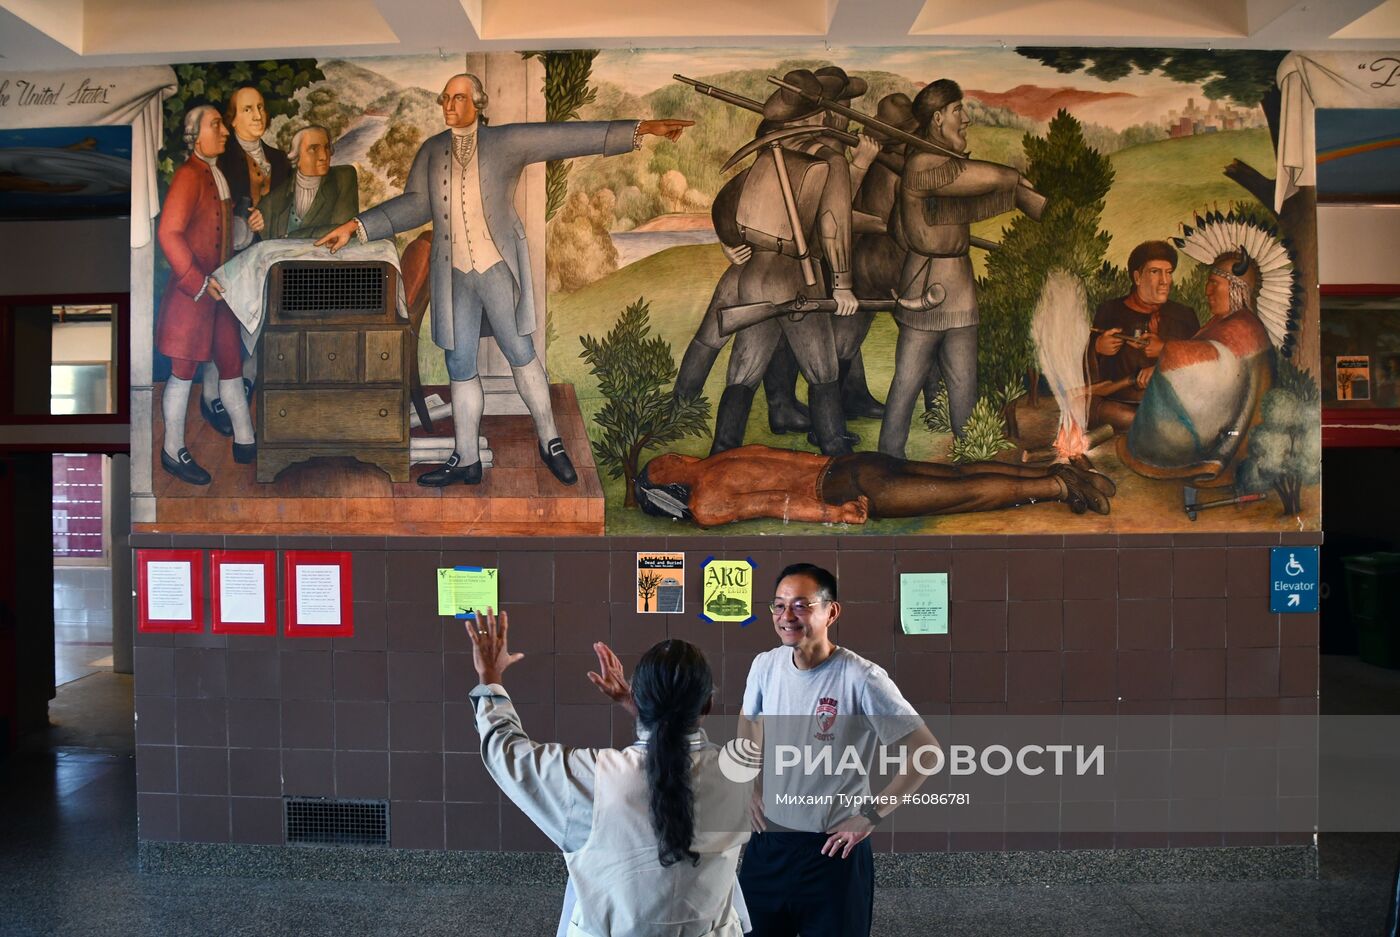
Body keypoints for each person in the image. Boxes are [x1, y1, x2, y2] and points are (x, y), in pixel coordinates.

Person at [318, 73, 692, 488]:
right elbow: (415, 205)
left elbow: (564, 138)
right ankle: (465, 458)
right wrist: (357, 225)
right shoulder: (432, 150)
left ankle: (550, 441)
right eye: (445, 98)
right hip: (453, 274)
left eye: (458, 98)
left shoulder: (505, 141)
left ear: (478, 102)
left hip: (497, 268)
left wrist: (640, 129)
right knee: (458, 363)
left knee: (520, 351)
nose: (448, 105)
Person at [466, 612, 751, 936]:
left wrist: (490, 676)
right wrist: (646, 711)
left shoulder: (595, 779)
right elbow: (689, 757)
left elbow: (507, 751)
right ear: (708, 706)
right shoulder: (738, 775)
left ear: (642, 700)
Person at [737, 563, 939, 937]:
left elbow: (926, 752)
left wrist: (870, 816)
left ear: (831, 611)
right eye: (779, 606)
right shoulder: (765, 666)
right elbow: (750, 720)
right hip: (769, 847)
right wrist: (751, 785)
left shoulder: (861, 678)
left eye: (801, 605)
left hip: (833, 852)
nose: (786, 616)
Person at [708, 68, 876, 457]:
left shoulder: (768, 154)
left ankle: (721, 455)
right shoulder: (830, 159)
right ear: (822, 115)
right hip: (794, 275)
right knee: (823, 370)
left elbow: (729, 205)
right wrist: (844, 284)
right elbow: (833, 224)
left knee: (744, 372)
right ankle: (836, 456)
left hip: (755, 275)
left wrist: (732, 242)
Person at [879, 79, 1045, 457]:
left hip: (958, 284)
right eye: (958, 110)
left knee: (964, 385)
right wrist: (1016, 177)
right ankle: (889, 461)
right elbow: (973, 177)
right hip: (927, 285)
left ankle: (972, 459)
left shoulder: (937, 162)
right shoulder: (923, 164)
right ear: (938, 118)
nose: (966, 119)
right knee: (907, 382)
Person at [634, 443, 1112, 527]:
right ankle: (1060, 474)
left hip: (845, 486)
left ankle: (1061, 486)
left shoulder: (706, 502)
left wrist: (834, 512)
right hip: (853, 466)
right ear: (666, 477)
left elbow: (775, 503)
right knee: (958, 477)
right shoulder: (720, 464)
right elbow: (789, 467)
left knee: (961, 493)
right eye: (664, 463)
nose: (672, 458)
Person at [154, 104, 256, 485]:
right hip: (192, 297)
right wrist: (198, 282)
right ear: (196, 134)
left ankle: (246, 441)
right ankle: (173, 451)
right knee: (181, 374)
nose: (226, 131)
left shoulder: (214, 172)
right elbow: (169, 234)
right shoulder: (187, 175)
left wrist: (246, 228)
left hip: (218, 295)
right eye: (217, 125)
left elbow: (221, 232)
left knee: (231, 365)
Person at [1118, 247, 1274, 484]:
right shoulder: (1224, 321)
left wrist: (1164, 350)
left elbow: (1211, 365)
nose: (1206, 291)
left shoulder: (1243, 326)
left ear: (1236, 289)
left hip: (1220, 434)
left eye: (1214, 284)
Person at [198, 85, 291, 436]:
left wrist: (268, 216)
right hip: (227, 252)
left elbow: (285, 207)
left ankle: (246, 384)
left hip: (267, 254)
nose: (257, 116)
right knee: (224, 325)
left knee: (259, 321)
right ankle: (212, 395)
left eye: (261, 108)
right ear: (232, 118)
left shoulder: (279, 159)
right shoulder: (220, 157)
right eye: (248, 109)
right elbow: (211, 209)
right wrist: (243, 218)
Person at [1088, 240, 1201, 433]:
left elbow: (1201, 364)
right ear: (1137, 277)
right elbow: (1083, 369)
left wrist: (1163, 357)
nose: (1165, 280)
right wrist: (1097, 347)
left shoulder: (1184, 315)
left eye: (1169, 272)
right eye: (1155, 272)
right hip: (1120, 405)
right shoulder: (1110, 311)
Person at [251, 125, 358, 240]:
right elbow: (262, 215)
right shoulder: (283, 183)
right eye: (313, 149)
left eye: (326, 147)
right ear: (297, 157)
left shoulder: (343, 177)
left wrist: (290, 237)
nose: (324, 156)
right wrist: (257, 219)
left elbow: (343, 229)